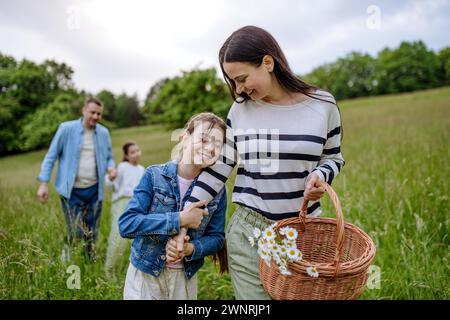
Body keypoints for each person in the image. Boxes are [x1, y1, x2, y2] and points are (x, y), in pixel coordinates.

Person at [179, 25, 346, 299]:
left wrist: (321, 175)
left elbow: (332, 156)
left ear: (268, 62)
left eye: (242, 78)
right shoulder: (241, 110)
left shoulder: (323, 105)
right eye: (233, 81)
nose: (238, 88)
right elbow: (218, 171)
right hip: (248, 234)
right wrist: (182, 218)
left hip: (303, 233)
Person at [118, 112, 228, 300]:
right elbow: (127, 224)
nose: (210, 148)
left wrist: (190, 249)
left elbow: (217, 237)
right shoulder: (154, 176)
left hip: (183, 280)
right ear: (184, 138)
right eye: (203, 139)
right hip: (146, 276)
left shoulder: (217, 190)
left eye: (217, 145)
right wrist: (180, 219)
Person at [36, 97, 116, 261]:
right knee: (76, 229)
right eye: (92, 112)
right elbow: (51, 156)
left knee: (91, 230)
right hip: (71, 191)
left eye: (99, 114)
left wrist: (111, 167)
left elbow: (109, 156)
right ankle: (67, 254)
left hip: (95, 190)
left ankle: (89, 261)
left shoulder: (103, 132)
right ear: (84, 110)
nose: (95, 116)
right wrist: (44, 184)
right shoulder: (66, 129)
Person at [104, 141, 145, 276]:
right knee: (117, 234)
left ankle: (136, 269)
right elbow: (112, 185)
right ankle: (109, 270)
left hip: (136, 203)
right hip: (121, 203)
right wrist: (110, 178)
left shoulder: (142, 169)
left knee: (138, 235)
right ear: (126, 156)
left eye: (137, 151)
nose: (136, 154)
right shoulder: (122, 167)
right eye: (132, 152)